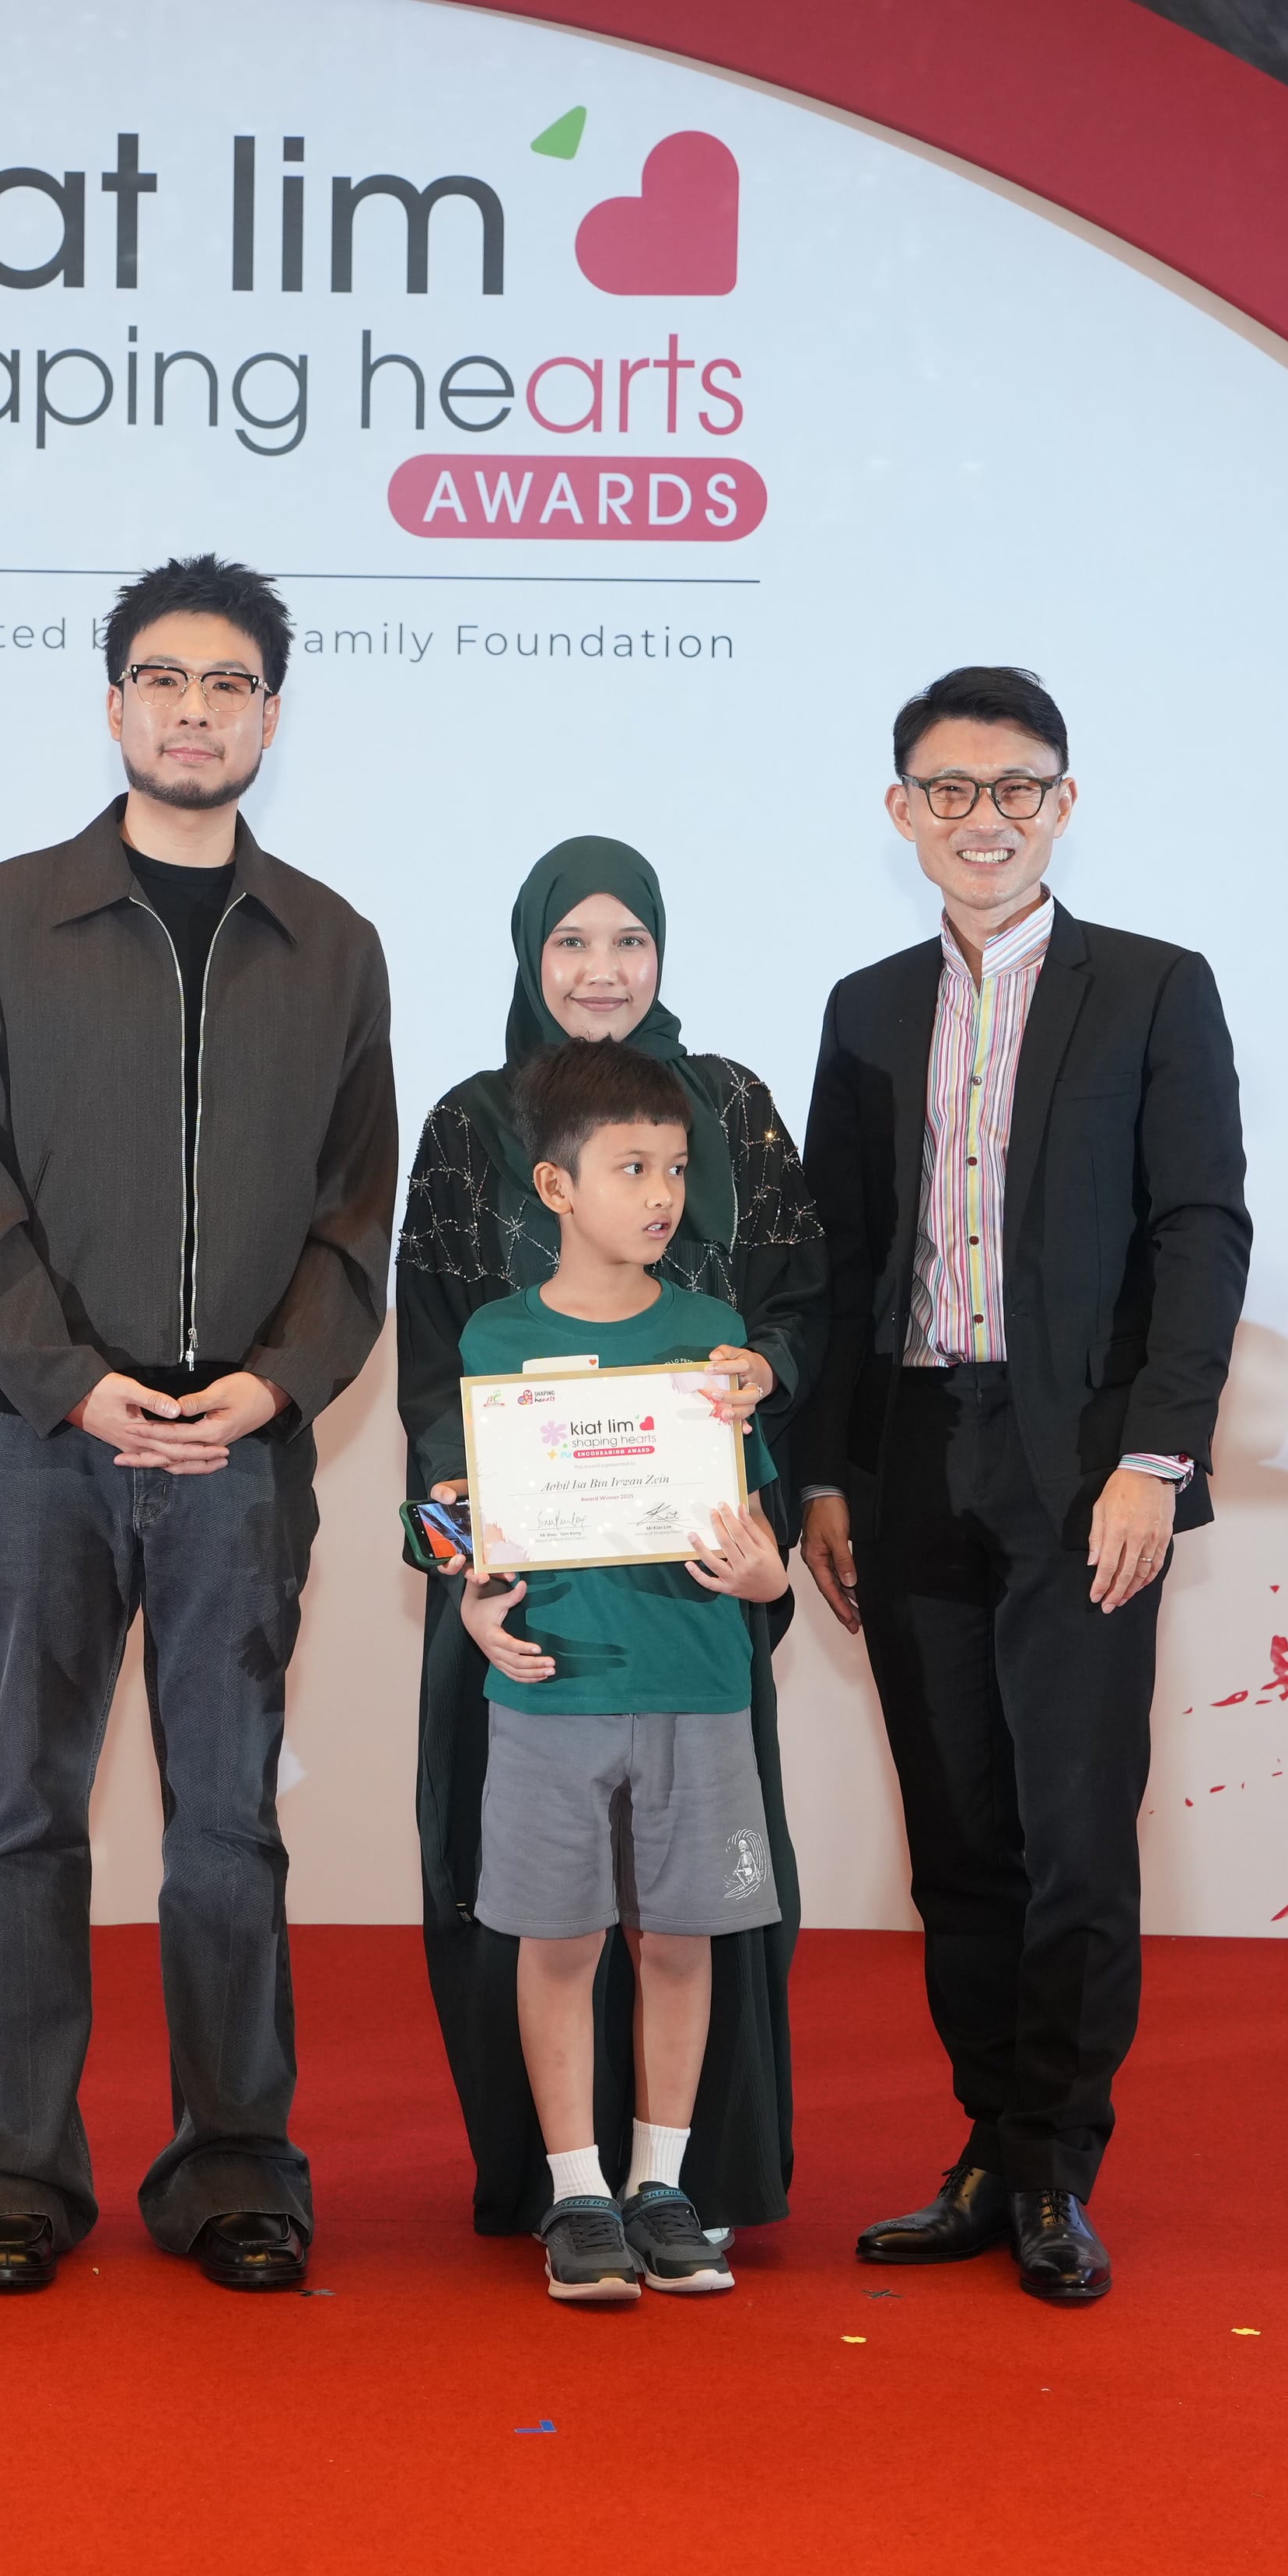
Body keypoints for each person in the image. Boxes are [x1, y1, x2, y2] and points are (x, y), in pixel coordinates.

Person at [0, 553, 398, 2297]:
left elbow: (358, 1214)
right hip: (46, 1444)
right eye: (165, 681)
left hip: (242, 1458)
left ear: (275, 711)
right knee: (26, 1812)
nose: (198, 712)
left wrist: (273, 1386)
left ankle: (233, 2169)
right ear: (114, 702)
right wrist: (69, 1379)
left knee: (227, 1829)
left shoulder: (332, 946)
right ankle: (6, 2173)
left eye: (232, 684)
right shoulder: (3, 917)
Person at [795, 664, 1249, 2308]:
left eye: (1017, 789)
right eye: (949, 789)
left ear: (1064, 804)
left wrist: (1154, 1459)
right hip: (912, 1455)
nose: (982, 818)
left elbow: (1201, 1232)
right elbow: (842, 1270)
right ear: (900, 809)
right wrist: (829, 1480)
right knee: (960, 1839)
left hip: (1081, 1475)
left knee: (1072, 1838)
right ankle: (989, 2146)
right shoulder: (860, 1007)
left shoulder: (1150, 992)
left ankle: (1059, 2167)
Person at [394, 838, 824, 2241]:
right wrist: (468, 1565)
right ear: (528, 956)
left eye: (628, 941)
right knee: (537, 1907)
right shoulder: (469, 1121)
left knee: (698, 1912)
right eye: (570, 943)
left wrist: (767, 1371)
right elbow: (435, 1380)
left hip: (692, 1607)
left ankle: (689, 2181)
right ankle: (556, 2188)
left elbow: (807, 1300)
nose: (601, 970)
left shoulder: (737, 1106)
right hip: (535, 1611)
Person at [446, 1039, 793, 2302]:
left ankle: (664, 2185)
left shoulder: (713, 1338)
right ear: (555, 1187)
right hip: (552, 1690)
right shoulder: (495, 1337)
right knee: (560, 1942)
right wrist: (474, 1605)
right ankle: (576, 2193)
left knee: (684, 1943)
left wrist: (765, 1582)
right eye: (630, 1166)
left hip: (700, 1689)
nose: (659, 1194)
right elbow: (467, 1526)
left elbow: (756, 1535)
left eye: (676, 1169)